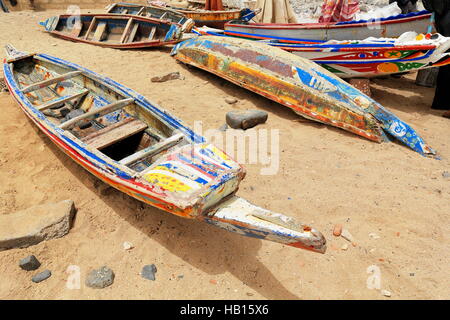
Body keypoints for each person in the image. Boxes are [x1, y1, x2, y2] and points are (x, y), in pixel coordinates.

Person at [422, 0, 450, 116]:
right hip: (445, 16)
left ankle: (443, 102)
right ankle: (443, 102)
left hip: (445, 18)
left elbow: (431, 5)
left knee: (446, 59)